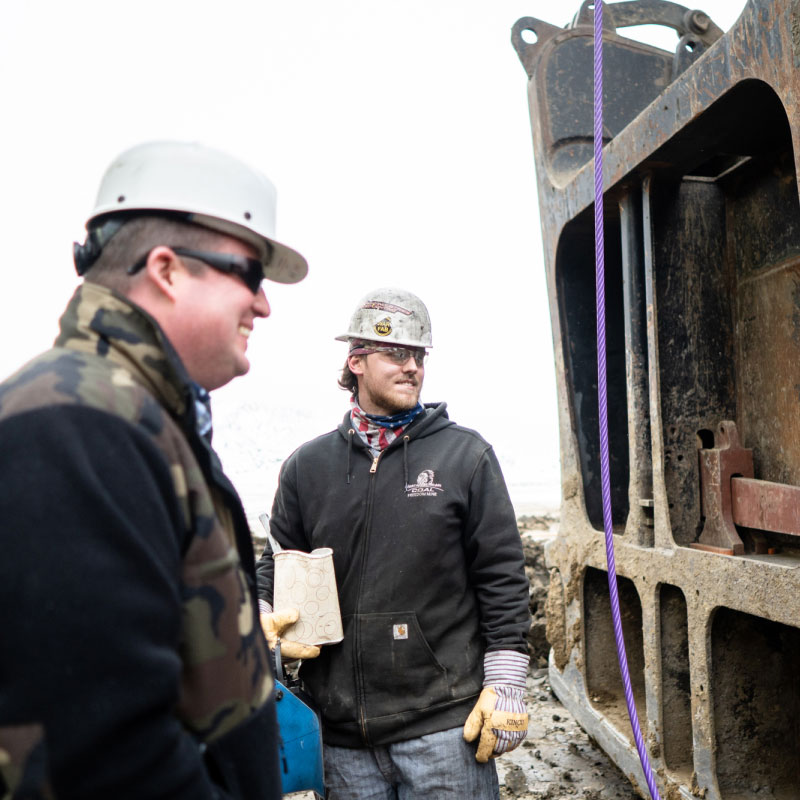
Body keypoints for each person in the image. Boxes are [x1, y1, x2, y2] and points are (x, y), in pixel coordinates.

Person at [0, 141, 307, 799]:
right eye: (250, 274)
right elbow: (101, 751)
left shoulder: (136, 414)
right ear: (166, 270)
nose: (264, 306)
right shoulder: (74, 425)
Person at [256, 288, 531, 799]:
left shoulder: (464, 457)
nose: (412, 368)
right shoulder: (307, 468)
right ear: (356, 361)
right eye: (396, 354)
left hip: (446, 732)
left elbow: (503, 578)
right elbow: (276, 565)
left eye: (419, 356)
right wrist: (259, 618)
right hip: (340, 742)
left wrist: (509, 684)